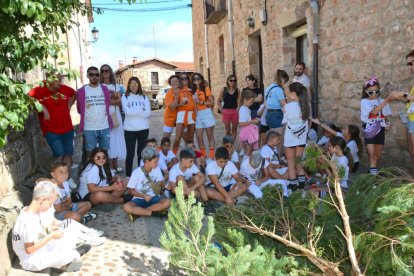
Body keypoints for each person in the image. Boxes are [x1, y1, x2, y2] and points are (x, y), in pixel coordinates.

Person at [12, 181, 83, 272]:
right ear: (43, 200)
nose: (50, 207)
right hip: (31, 259)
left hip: (38, 248)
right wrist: (51, 236)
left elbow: (39, 232)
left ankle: (68, 257)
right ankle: (72, 256)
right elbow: (29, 249)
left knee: (67, 235)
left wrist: (50, 230)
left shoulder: (31, 211)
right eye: (50, 203)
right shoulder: (28, 221)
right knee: (64, 253)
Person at [29, 70, 76, 169]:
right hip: (51, 130)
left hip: (67, 128)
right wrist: (43, 108)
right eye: (58, 80)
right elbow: (27, 98)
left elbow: (74, 94)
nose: (60, 83)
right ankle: (59, 180)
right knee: (59, 155)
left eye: (61, 80)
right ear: (49, 80)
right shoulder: (39, 90)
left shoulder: (65, 89)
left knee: (68, 155)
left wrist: (69, 105)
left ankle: (66, 179)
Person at [123, 147, 171, 222]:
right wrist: (143, 196)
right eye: (155, 161)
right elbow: (131, 191)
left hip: (154, 198)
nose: (157, 163)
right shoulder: (136, 172)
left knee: (168, 202)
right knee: (126, 207)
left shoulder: (157, 169)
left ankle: (138, 213)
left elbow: (161, 185)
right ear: (147, 161)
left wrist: (166, 187)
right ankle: (154, 213)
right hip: (139, 199)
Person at [77, 66, 113, 162]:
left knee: (104, 153)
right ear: (87, 76)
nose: (94, 77)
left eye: (96, 74)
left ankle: (105, 174)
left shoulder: (105, 89)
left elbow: (108, 104)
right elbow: (79, 109)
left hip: (104, 126)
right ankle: (91, 174)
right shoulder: (81, 91)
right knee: (90, 153)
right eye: (91, 75)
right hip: (89, 128)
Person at [360, 77, 392, 175]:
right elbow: (373, 113)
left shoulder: (382, 100)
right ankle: (372, 181)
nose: (374, 94)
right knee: (372, 155)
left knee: (377, 156)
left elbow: (385, 116)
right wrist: (386, 101)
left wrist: (387, 124)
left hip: (380, 129)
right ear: (366, 91)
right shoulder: (364, 102)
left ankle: (372, 174)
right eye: (371, 92)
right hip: (369, 128)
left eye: (376, 91)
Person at [391, 50, 414, 176]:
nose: (410, 67)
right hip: (410, 119)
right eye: (408, 64)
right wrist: (400, 97)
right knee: (411, 152)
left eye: (412, 63)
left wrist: (402, 94)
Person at [121, 76, 151, 177]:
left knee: (141, 153)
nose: (134, 86)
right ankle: (128, 176)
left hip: (143, 129)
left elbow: (148, 113)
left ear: (139, 85)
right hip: (130, 130)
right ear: (128, 85)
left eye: (136, 84)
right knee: (130, 154)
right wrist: (141, 110)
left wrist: (135, 112)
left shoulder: (144, 97)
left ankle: (140, 175)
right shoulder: (124, 97)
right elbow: (128, 113)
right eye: (131, 84)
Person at [283, 82, 310, 190]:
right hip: (301, 137)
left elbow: (285, 121)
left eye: (290, 93)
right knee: (299, 163)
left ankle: (293, 188)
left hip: (290, 138)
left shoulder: (288, 106)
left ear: (293, 93)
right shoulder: (307, 105)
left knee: (291, 164)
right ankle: (302, 187)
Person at [100, 64, 126, 172]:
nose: (105, 72)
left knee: (117, 139)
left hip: (115, 115)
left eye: (107, 70)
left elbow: (120, 102)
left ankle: (116, 164)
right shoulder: (99, 86)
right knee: (108, 140)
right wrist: (112, 101)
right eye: (103, 71)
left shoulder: (116, 87)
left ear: (110, 72)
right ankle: (110, 165)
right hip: (103, 116)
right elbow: (101, 102)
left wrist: (107, 101)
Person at [192, 73, 216, 159]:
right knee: (199, 137)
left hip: (206, 112)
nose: (196, 80)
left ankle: (212, 156)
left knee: (210, 136)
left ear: (201, 79)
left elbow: (212, 103)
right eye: (194, 79)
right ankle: (204, 156)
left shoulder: (206, 89)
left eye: (198, 78)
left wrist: (201, 102)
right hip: (198, 114)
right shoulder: (193, 91)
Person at [174, 72, 196, 148]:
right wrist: (181, 104)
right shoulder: (178, 90)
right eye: (182, 78)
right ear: (180, 80)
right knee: (178, 138)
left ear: (188, 79)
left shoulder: (193, 90)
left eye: (185, 78)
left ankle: (191, 156)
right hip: (181, 114)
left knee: (191, 138)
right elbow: (174, 106)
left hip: (191, 114)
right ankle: (173, 156)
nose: (184, 80)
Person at [239, 89, 260, 160]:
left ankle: (248, 165)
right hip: (247, 133)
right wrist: (252, 122)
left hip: (249, 132)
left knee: (249, 150)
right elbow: (241, 123)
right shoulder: (243, 109)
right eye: (250, 102)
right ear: (245, 100)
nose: (252, 104)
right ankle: (245, 166)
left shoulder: (246, 108)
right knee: (248, 151)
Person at [217, 75, 239, 141]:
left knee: (234, 130)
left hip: (234, 112)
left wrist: (238, 109)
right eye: (231, 80)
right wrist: (221, 109)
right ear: (228, 81)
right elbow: (218, 100)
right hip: (226, 112)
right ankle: (228, 145)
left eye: (234, 80)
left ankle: (231, 145)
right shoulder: (224, 90)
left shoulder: (237, 90)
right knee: (227, 130)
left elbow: (239, 101)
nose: (232, 82)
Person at [163, 75, 180, 140]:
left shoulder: (181, 91)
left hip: (180, 118)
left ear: (179, 82)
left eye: (176, 81)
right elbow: (172, 107)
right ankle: (162, 150)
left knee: (185, 138)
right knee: (166, 139)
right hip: (169, 118)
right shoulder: (169, 93)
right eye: (172, 82)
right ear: (170, 83)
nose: (174, 83)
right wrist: (176, 97)